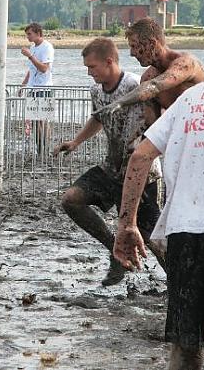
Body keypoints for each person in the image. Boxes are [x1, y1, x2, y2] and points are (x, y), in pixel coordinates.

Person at [114, 7, 204, 369]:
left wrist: (127, 224)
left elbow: (141, 157)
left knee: (186, 347)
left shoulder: (193, 97)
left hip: (184, 232)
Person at [53, 38, 164, 286]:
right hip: (111, 169)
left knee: (151, 237)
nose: (89, 72)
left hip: (141, 173)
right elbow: (98, 118)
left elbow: (157, 121)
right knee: (71, 199)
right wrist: (76, 142)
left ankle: (179, 281)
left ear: (109, 61)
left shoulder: (135, 85)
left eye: (92, 67)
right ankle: (114, 249)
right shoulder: (96, 91)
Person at [94, 17, 204, 124]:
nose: (132, 53)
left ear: (152, 44)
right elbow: (152, 125)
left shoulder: (186, 64)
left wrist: (120, 102)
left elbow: (155, 86)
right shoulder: (147, 78)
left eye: (134, 46)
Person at [20, 22, 55, 153]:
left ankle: (44, 148)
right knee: (34, 120)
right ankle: (40, 148)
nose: (28, 37)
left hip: (44, 88)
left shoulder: (47, 47)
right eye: (27, 34)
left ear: (38, 33)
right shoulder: (33, 47)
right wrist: (23, 85)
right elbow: (31, 69)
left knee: (42, 119)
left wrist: (30, 56)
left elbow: (44, 68)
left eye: (30, 34)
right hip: (32, 88)